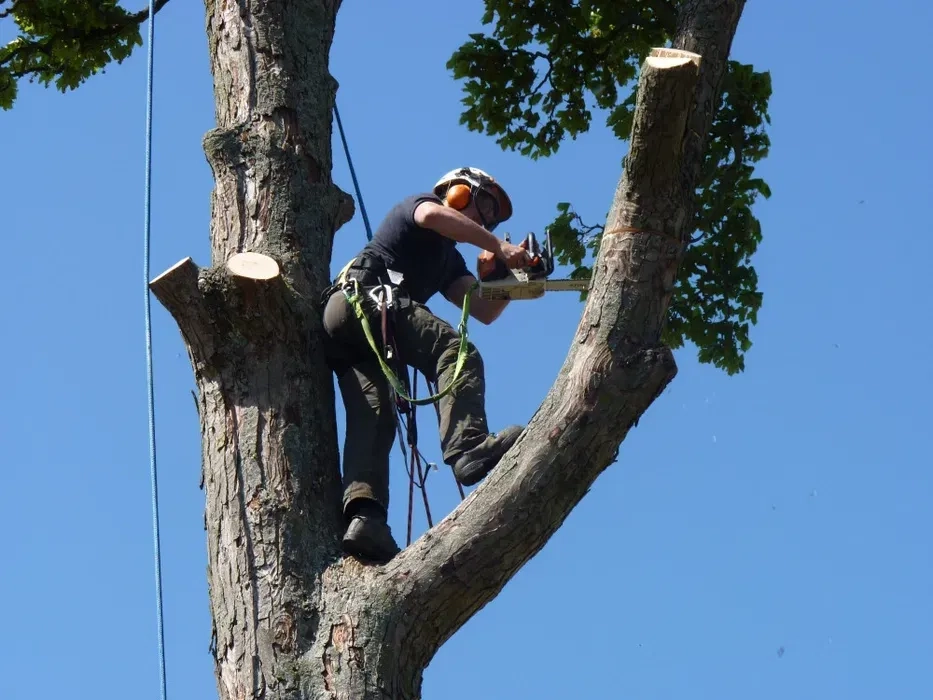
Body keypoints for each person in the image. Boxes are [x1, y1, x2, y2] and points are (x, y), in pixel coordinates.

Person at [321, 167, 530, 563]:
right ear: (456, 191)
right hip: (365, 299)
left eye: (491, 217)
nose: (484, 218)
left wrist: (510, 274)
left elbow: (483, 308)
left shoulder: (448, 261)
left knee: (376, 418)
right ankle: (467, 444)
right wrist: (501, 248)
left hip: (352, 332)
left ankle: (365, 518)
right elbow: (436, 218)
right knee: (457, 351)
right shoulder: (420, 207)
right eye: (482, 203)